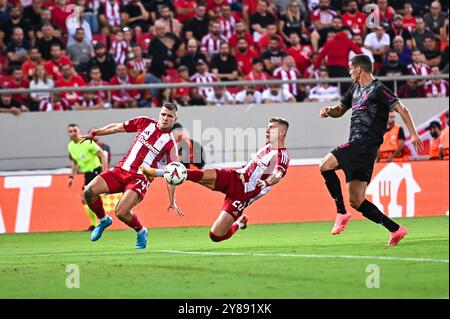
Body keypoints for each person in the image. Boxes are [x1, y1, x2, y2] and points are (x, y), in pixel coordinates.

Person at [319, 54, 423, 246]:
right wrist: (328, 111)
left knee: (324, 165)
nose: (349, 72)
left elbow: (402, 109)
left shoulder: (378, 89)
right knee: (357, 201)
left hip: (365, 143)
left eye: (350, 69)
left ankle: (341, 212)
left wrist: (414, 134)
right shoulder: (355, 89)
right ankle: (396, 229)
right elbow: (340, 110)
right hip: (361, 149)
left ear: (359, 69)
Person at [141, 117, 290, 242]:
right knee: (204, 175)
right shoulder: (266, 147)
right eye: (267, 127)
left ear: (282, 132)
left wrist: (267, 182)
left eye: (271, 127)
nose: (267, 130)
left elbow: (278, 174)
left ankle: (240, 224)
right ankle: (156, 172)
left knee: (216, 235)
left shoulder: (281, 155)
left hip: (243, 195)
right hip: (235, 177)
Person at [79, 103, 182, 249]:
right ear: (159, 114)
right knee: (89, 192)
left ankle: (141, 231)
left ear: (174, 118)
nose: (165, 118)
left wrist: (172, 200)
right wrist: (95, 133)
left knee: (121, 212)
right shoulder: (144, 122)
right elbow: (116, 127)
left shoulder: (170, 144)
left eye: (169, 116)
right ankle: (103, 220)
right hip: (120, 170)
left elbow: (172, 173)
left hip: (140, 178)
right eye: (163, 114)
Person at [67, 124, 108, 230]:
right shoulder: (70, 146)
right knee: (89, 199)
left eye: (74, 131)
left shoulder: (87, 142)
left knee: (84, 198)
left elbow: (102, 155)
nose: (72, 133)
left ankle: (96, 224)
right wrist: (71, 177)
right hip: (87, 174)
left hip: (95, 171)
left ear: (79, 131)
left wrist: (104, 172)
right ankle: (98, 223)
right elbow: (75, 161)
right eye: (70, 131)